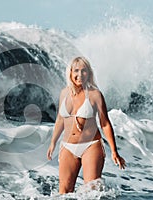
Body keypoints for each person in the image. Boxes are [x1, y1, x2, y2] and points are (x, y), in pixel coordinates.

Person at [47, 56, 126, 194]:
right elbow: (60, 120)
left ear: (89, 73)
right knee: (64, 192)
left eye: (84, 71)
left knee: (91, 192)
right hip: (67, 146)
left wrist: (114, 151)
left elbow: (105, 123)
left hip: (91, 145)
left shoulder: (95, 94)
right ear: (70, 72)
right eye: (76, 70)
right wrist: (53, 142)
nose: (80, 75)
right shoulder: (64, 93)